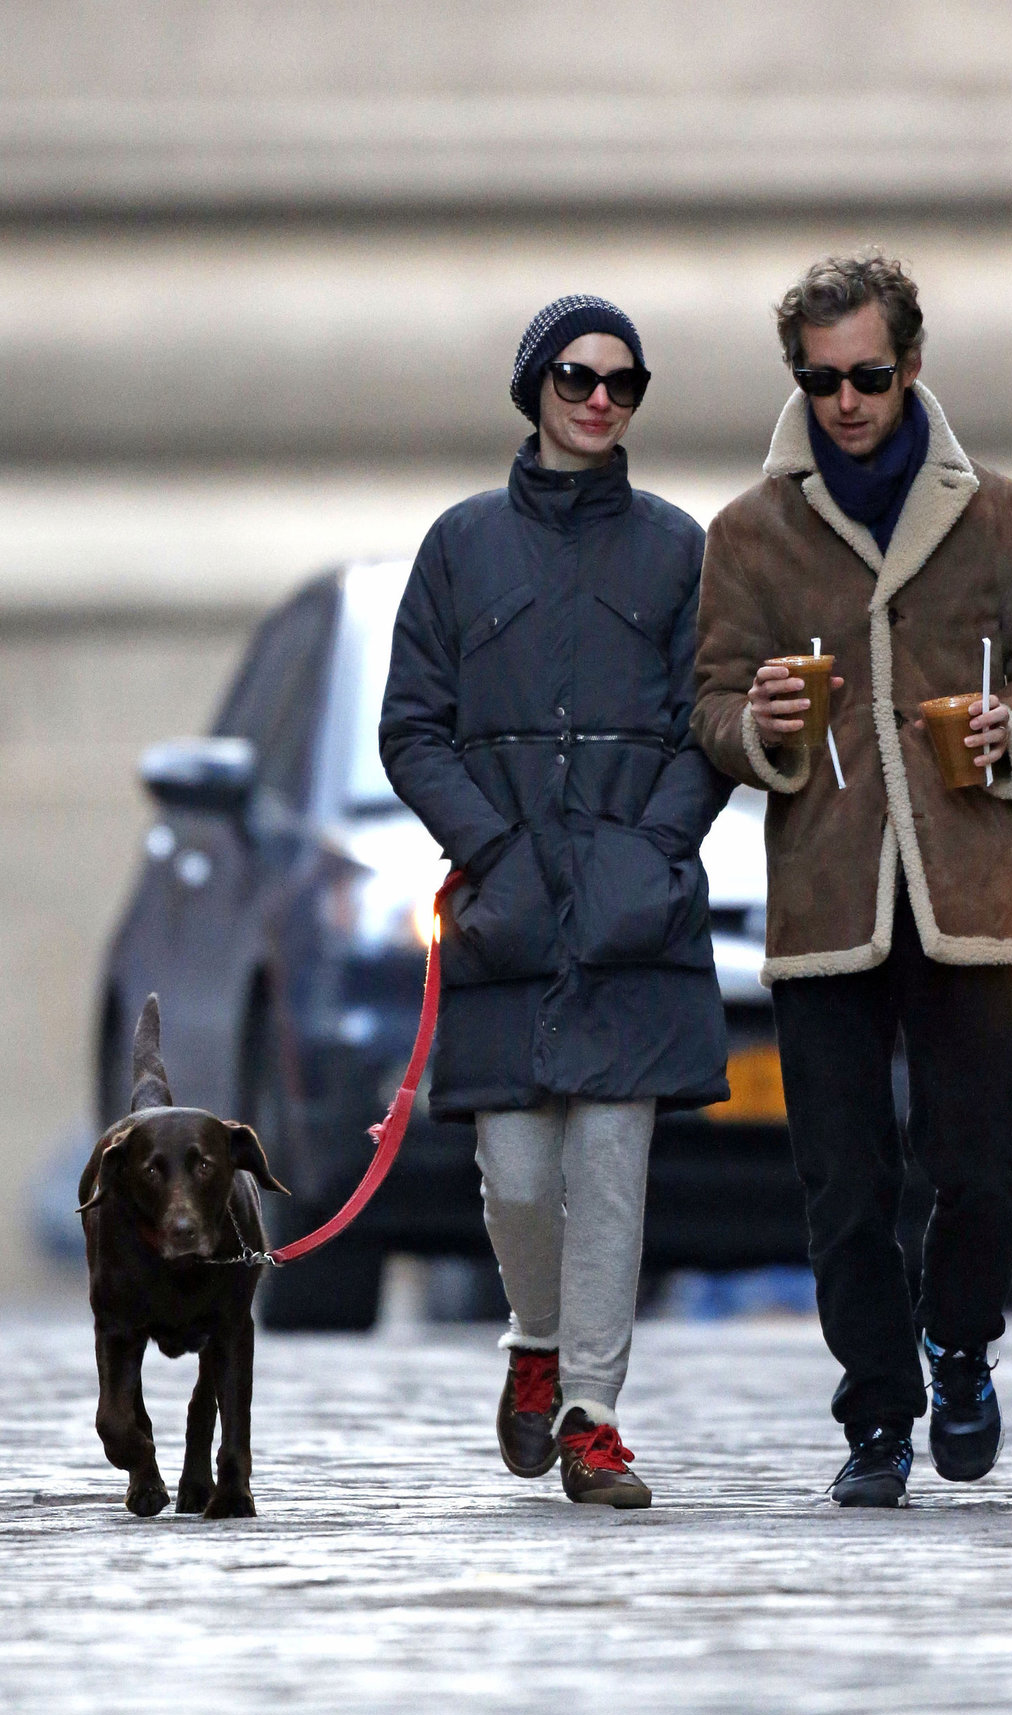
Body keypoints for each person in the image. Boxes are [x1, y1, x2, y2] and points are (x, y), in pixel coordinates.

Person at [691, 252, 1012, 1507]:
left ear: (910, 365)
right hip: (824, 904)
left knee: (984, 1163)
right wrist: (753, 721)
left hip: (968, 895)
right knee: (843, 1183)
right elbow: (705, 705)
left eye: (868, 376)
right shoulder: (747, 535)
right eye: (821, 382)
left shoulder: (998, 516)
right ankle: (875, 1418)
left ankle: (960, 1348)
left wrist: (1009, 731)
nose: (847, 401)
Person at [379, 295, 730, 1508]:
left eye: (624, 384)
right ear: (534, 387)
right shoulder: (458, 544)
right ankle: (534, 1341)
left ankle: (591, 1409)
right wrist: (490, 849)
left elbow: (710, 725)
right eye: (577, 377)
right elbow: (409, 728)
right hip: (509, 905)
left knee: (613, 1169)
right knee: (519, 1172)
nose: (599, 400)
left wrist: (654, 850)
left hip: (631, 906)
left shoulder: (681, 547)